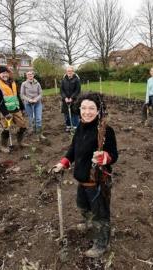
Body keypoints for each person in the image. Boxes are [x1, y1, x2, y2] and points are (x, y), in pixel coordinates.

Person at [51, 92, 118, 258]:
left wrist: (105, 158)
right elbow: (74, 149)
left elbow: (114, 155)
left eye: (91, 108)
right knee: (82, 206)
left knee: (100, 215)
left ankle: (102, 244)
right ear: (79, 109)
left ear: (98, 110)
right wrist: (63, 162)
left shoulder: (105, 131)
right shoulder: (80, 126)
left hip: (97, 182)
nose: (87, 112)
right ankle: (88, 223)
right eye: (84, 108)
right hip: (82, 180)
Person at [0, 66, 28, 152]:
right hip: (5, 111)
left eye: (6, 73)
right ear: (0, 74)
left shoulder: (12, 82)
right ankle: (4, 146)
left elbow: (17, 96)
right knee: (6, 129)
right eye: (3, 73)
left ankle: (20, 142)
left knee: (23, 126)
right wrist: (5, 113)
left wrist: (22, 108)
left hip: (16, 108)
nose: (5, 75)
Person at [20, 71, 46, 141]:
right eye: (28, 74)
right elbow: (22, 95)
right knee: (32, 119)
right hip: (28, 104)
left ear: (33, 75)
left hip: (37, 103)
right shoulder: (24, 84)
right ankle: (35, 135)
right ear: (26, 76)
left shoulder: (37, 83)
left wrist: (36, 99)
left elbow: (41, 93)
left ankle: (39, 133)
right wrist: (29, 100)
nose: (30, 76)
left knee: (38, 119)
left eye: (31, 74)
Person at [60, 66, 81, 132]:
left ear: (73, 72)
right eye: (68, 71)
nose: (69, 72)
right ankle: (68, 126)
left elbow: (77, 90)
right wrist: (65, 97)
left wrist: (72, 98)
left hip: (74, 100)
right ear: (66, 72)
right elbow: (61, 90)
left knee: (74, 113)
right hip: (65, 100)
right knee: (66, 114)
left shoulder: (76, 79)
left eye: (70, 71)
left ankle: (75, 127)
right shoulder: (64, 80)